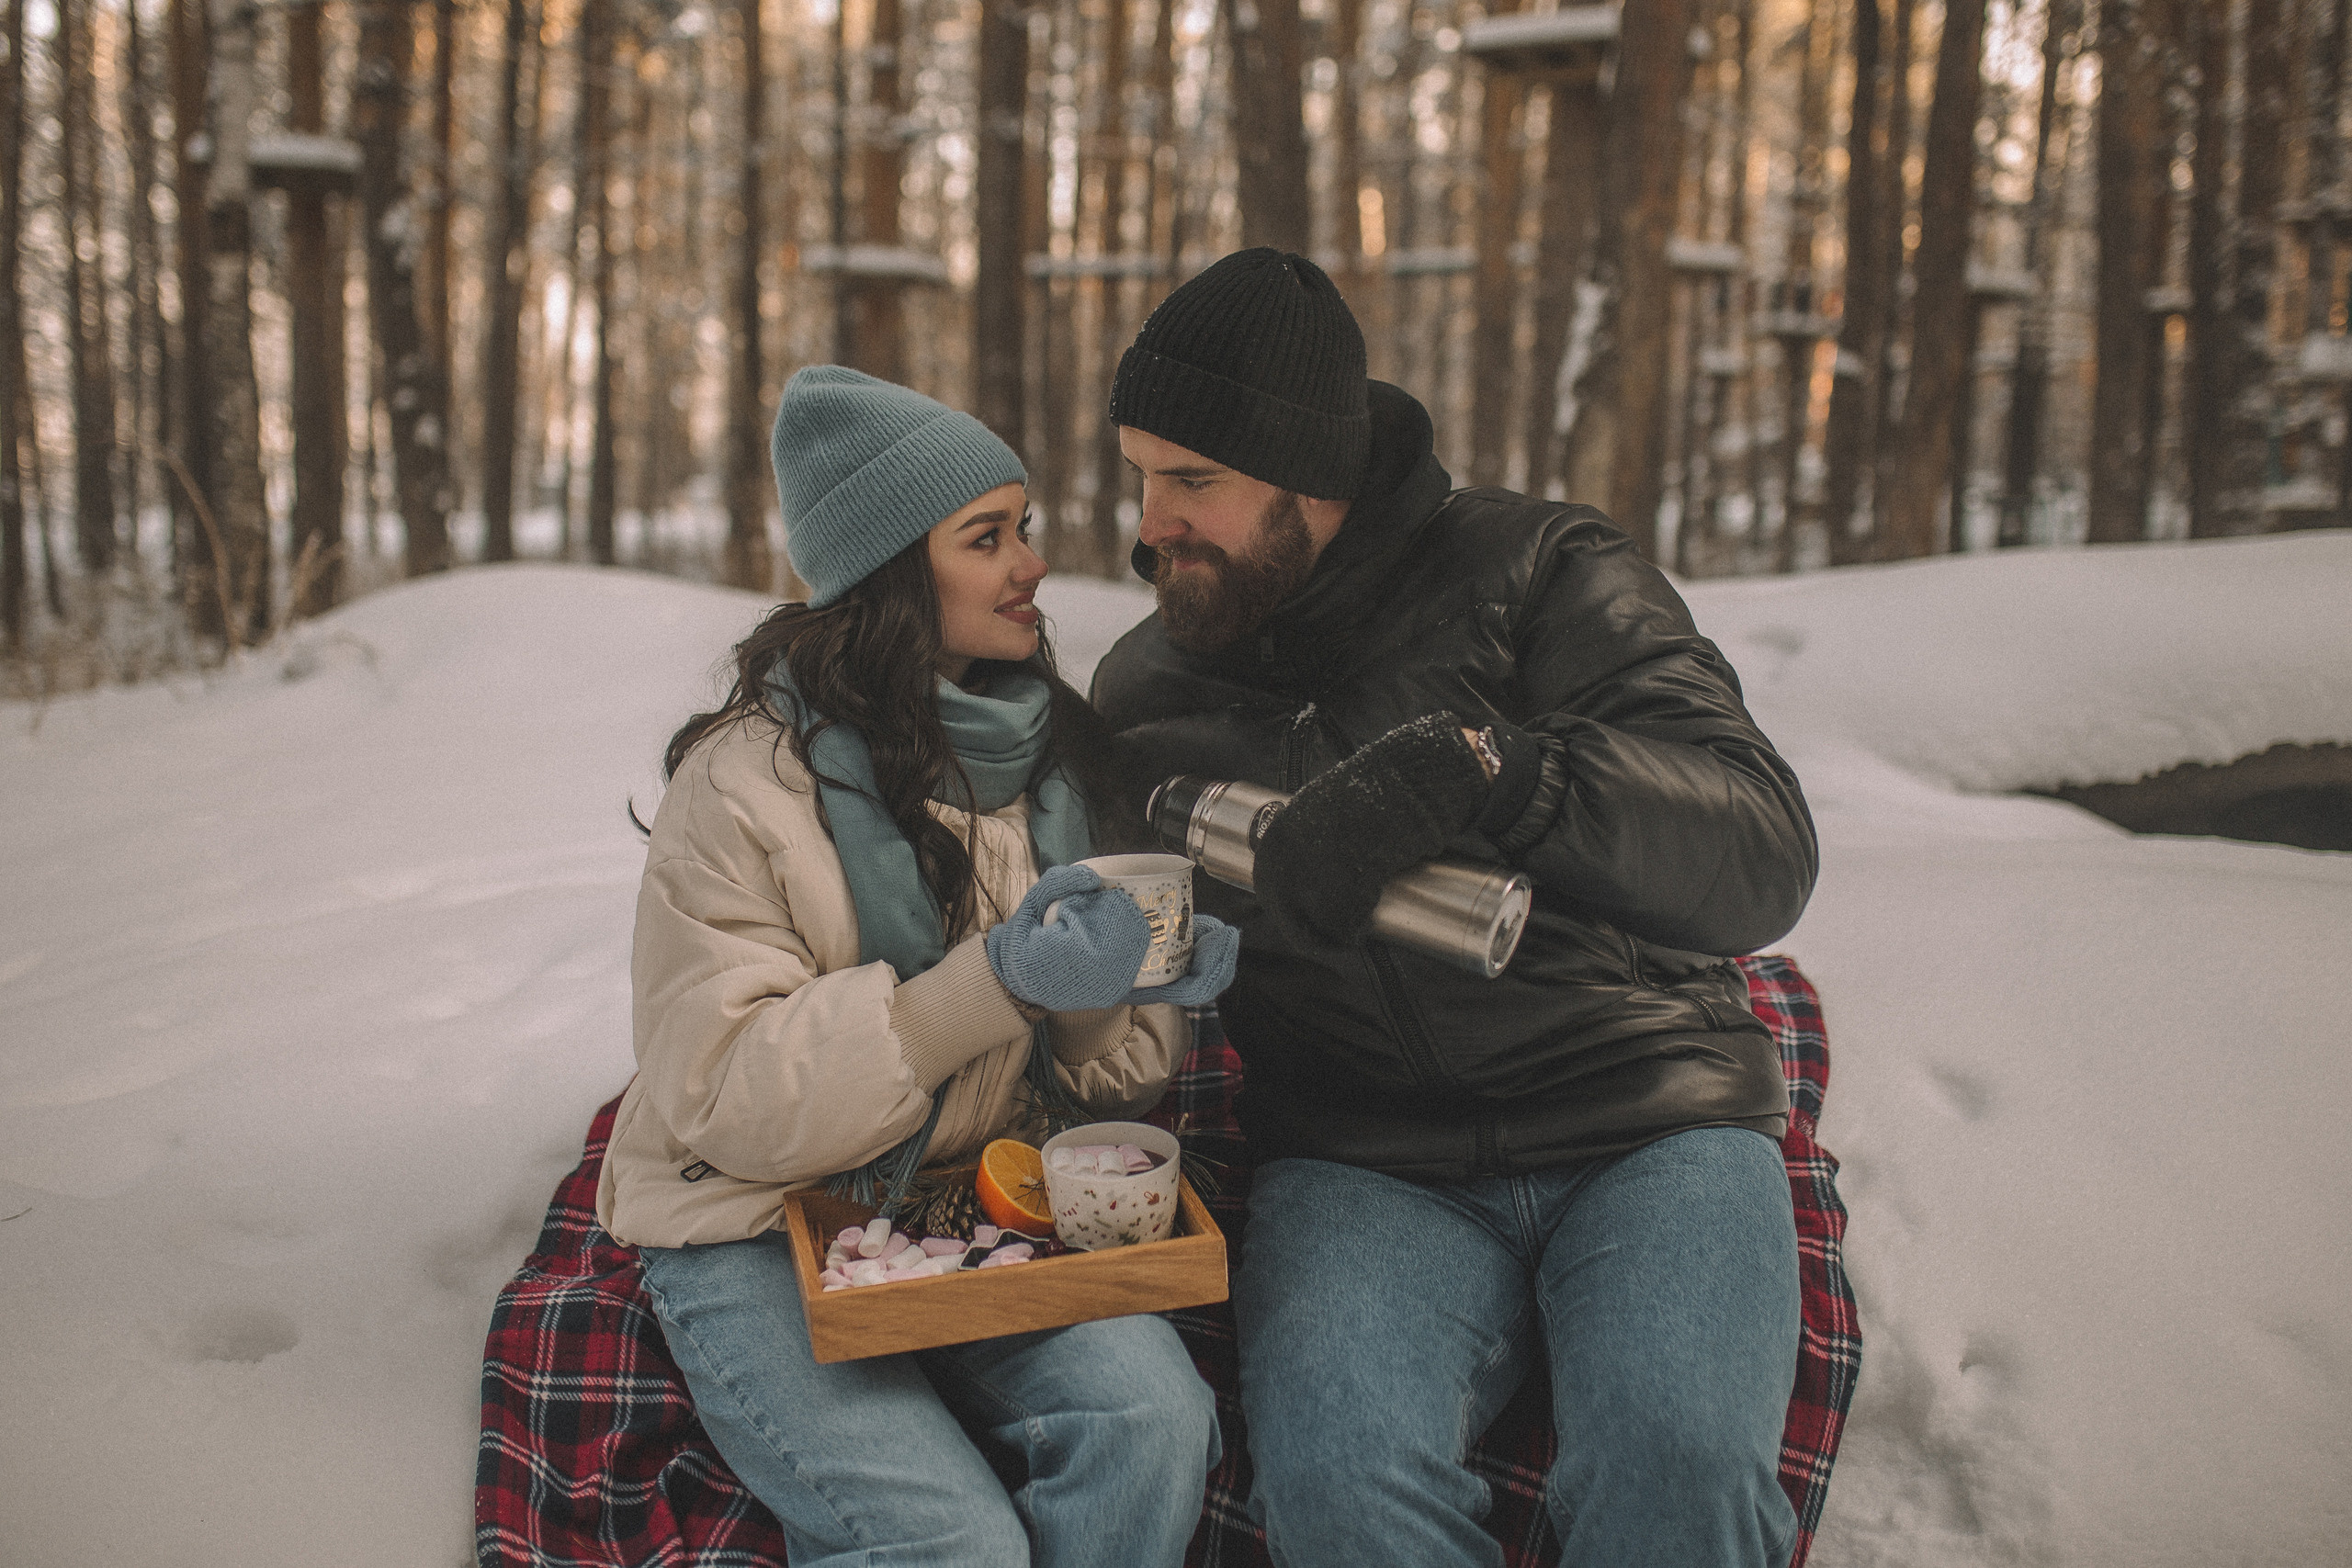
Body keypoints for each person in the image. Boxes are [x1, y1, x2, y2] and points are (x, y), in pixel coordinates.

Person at [1091, 249, 1820, 1568]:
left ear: (1313, 482)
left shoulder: (1540, 568)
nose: (1151, 523)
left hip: (1644, 1111)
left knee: (1679, 1466)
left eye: (1191, 479)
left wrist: (1510, 771)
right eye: (1139, 472)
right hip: (1365, 1159)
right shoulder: (1143, 693)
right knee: (1335, 1489)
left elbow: (1761, 847)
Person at [601, 365, 1235, 1568]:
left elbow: (1094, 1094)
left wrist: (1137, 978)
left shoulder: (1048, 756)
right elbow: (728, 1098)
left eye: (1025, 528)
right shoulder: (743, 786)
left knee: (1158, 1422)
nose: (1033, 565)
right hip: (747, 1216)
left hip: (954, 1192)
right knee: (952, 1543)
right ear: (891, 572)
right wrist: (992, 982)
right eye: (986, 538)